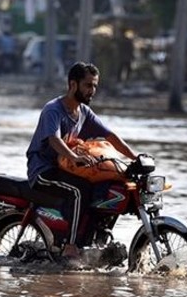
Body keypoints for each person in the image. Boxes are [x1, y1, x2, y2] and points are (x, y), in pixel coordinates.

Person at [26, 61, 139, 261]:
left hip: (67, 169)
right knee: (79, 191)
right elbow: (54, 139)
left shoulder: (84, 113)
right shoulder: (53, 109)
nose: (92, 91)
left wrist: (136, 157)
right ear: (72, 85)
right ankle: (70, 246)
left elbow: (111, 136)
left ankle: (94, 239)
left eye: (95, 86)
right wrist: (75, 157)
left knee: (104, 188)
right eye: (88, 85)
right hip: (44, 170)